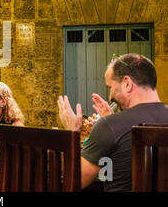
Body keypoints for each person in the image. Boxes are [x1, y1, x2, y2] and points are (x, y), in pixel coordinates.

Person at [58, 53, 168, 192]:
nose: (110, 96)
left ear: (127, 84)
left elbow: (75, 181)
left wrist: (72, 132)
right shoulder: (112, 125)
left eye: (110, 87)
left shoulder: (109, 126)